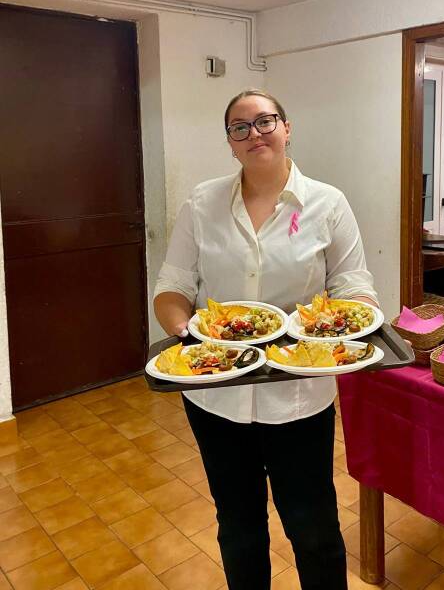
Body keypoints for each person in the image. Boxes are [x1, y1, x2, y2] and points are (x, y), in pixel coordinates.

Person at [153, 89, 378, 590]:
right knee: (238, 524)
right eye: (240, 126)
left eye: (265, 121)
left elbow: (354, 289)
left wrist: (339, 328)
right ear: (230, 142)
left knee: (312, 524)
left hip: (299, 395)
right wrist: (187, 332)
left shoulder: (327, 203)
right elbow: (172, 287)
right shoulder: (201, 202)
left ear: (287, 127)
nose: (254, 133)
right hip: (217, 395)